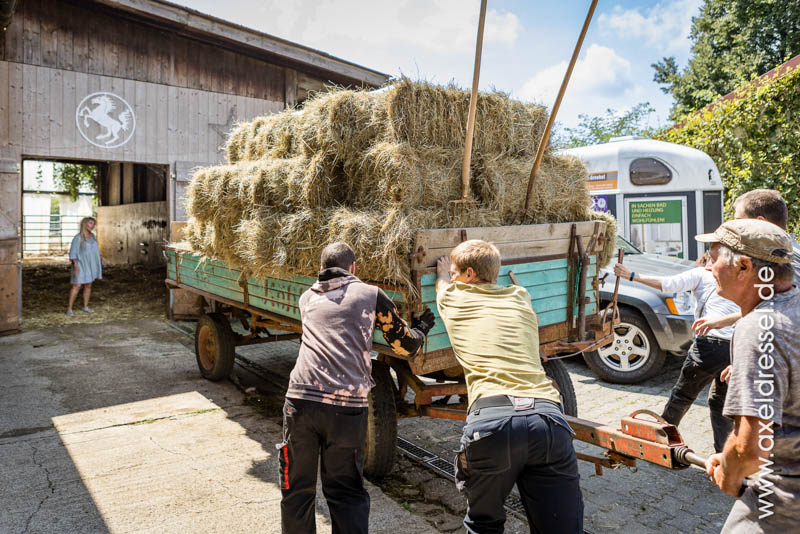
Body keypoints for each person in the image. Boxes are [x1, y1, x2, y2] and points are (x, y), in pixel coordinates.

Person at [278, 242, 434, 534]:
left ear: (321, 269)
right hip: (345, 407)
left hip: (299, 401)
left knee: (296, 490)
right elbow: (405, 346)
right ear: (353, 268)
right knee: (345, 492)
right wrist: (422, 327)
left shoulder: (306, 298)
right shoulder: (370, 294)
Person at [435, 240, 583, 534]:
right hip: (548, 421)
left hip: (491, 423)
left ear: (468, 275)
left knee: (484, 525)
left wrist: (442, 275)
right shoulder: (519, 296)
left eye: (455, 272)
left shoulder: (453, 297)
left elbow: (441, 287)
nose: (451, 277)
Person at [696, 219, 799, 533]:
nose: (709, 267)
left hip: (782, 502)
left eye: (714, 259)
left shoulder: (759, 329)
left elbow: (752, 450)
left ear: (742, 266)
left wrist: (729, 469)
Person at [613, 257, 740, 452]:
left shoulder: (701, 273)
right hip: (734, 348)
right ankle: (724, 455)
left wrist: (630, 275)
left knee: (682, 396)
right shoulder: (741, 276)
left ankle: (661, 443)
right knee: (719, 401)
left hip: (709, 345)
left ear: (710, 260)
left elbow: (668, 284)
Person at [692, 188, 799, 335]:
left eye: (738, 221)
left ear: (759, 222)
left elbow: (779, 310)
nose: (735, 226)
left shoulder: (784, 259)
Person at [67, 216, 102, 316]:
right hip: (81, 263)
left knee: (88, 285)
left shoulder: (93, 236)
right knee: (77, 285)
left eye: (93, 224)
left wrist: (99, 257)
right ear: (85, 224)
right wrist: (75, 265)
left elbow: (95, 249)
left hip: (91, 264)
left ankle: (85, 306)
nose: (93, 225)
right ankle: (69, 308)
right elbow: (73, 252)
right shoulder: (78, 238)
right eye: (91, 223)